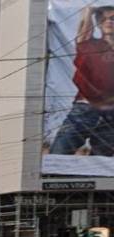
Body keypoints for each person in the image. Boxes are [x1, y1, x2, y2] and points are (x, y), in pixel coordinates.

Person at [49, 6, 114, 156]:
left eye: (113, 18)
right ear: (98, 23)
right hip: (85, 109)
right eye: (104, 19)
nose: (109, 22)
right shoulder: (89, 44)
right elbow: (84, 25)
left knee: (102, 164)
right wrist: (89, 10)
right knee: (58, 155)